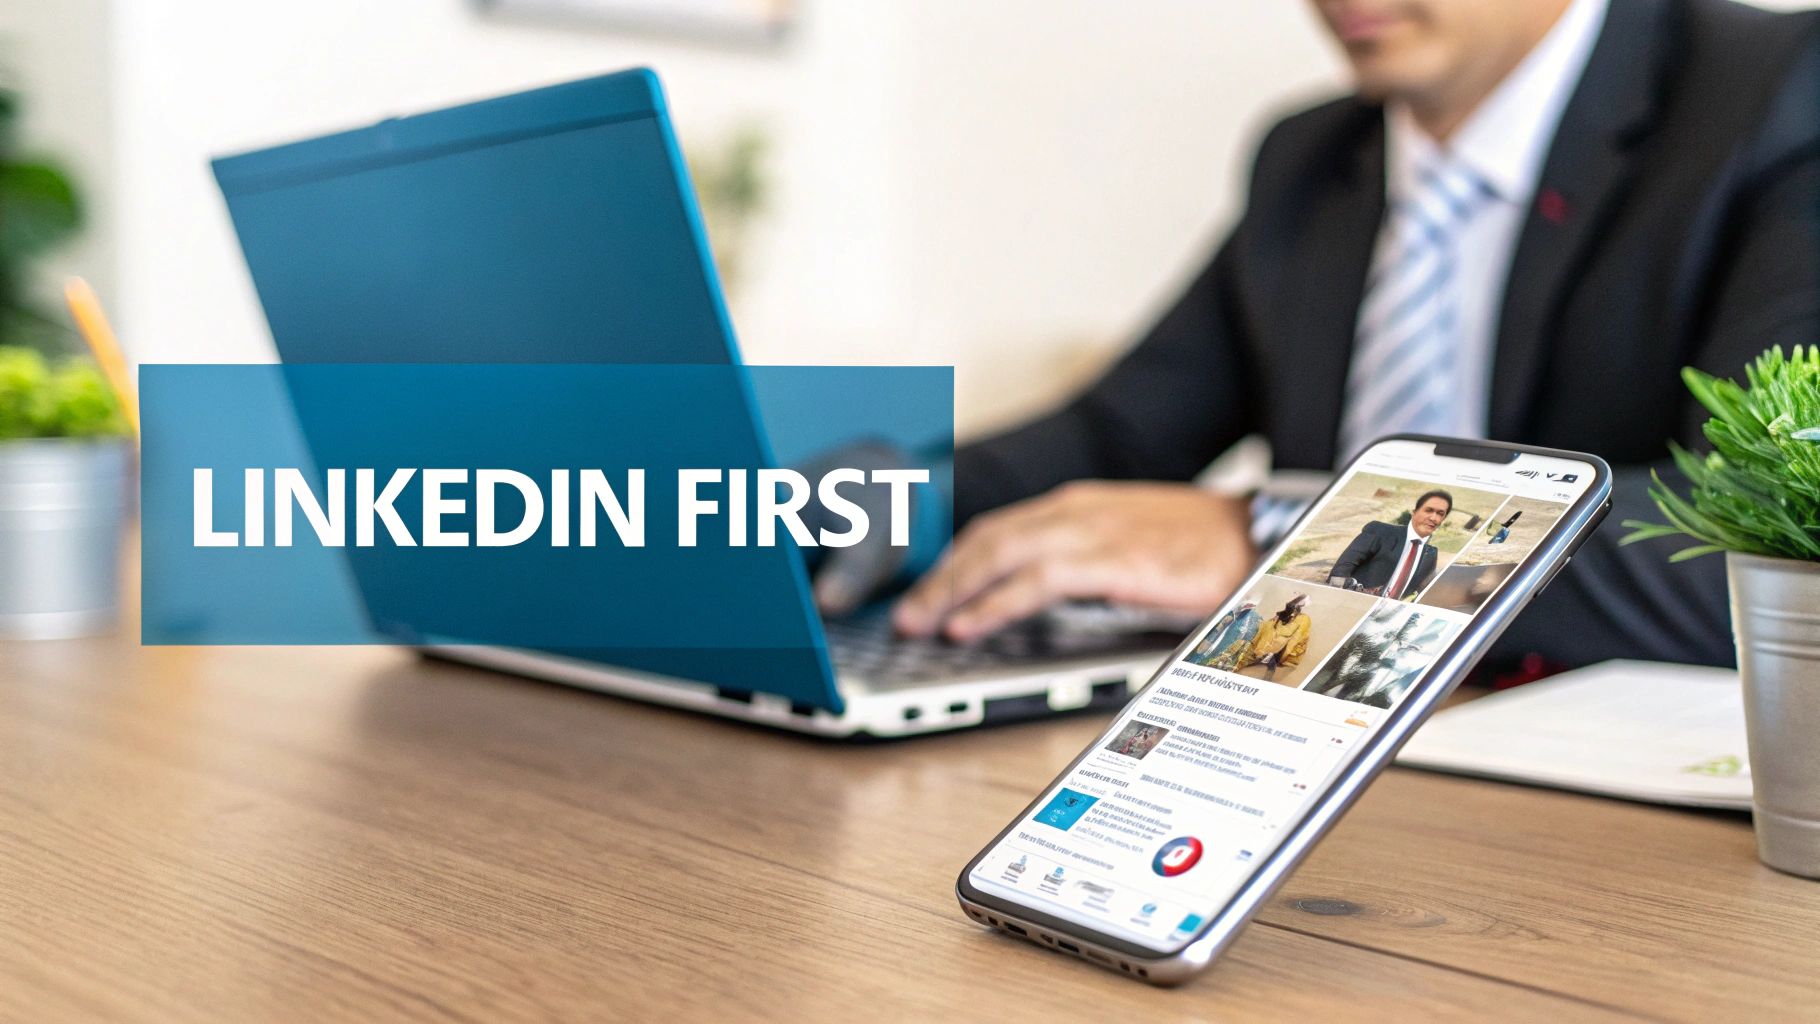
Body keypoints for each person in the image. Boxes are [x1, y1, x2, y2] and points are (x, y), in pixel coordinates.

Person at [891, 0, 1820, 671]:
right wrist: (860, 505)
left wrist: (1280, 539)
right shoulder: (1312, 158)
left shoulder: (1779, 92)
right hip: (1300, 744)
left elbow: (1764, 536)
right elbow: (1116, 435)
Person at [1328, 490, 1451, 598]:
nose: (1434, 518)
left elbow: (1426, 591)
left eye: (1440, 514)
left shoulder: (1431, 554)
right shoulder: (1381, 531)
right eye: (1428, 510)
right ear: (1414, 512)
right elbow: (1340, 572)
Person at [1238, 595, 1313, 680]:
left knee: (1269, 666)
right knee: (1267, 663)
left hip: (1277, 649)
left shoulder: (1301, 617)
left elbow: (1296, 638)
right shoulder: (1284, 616)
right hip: (1270, 647)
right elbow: (1268, 631)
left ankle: (1266, 675)